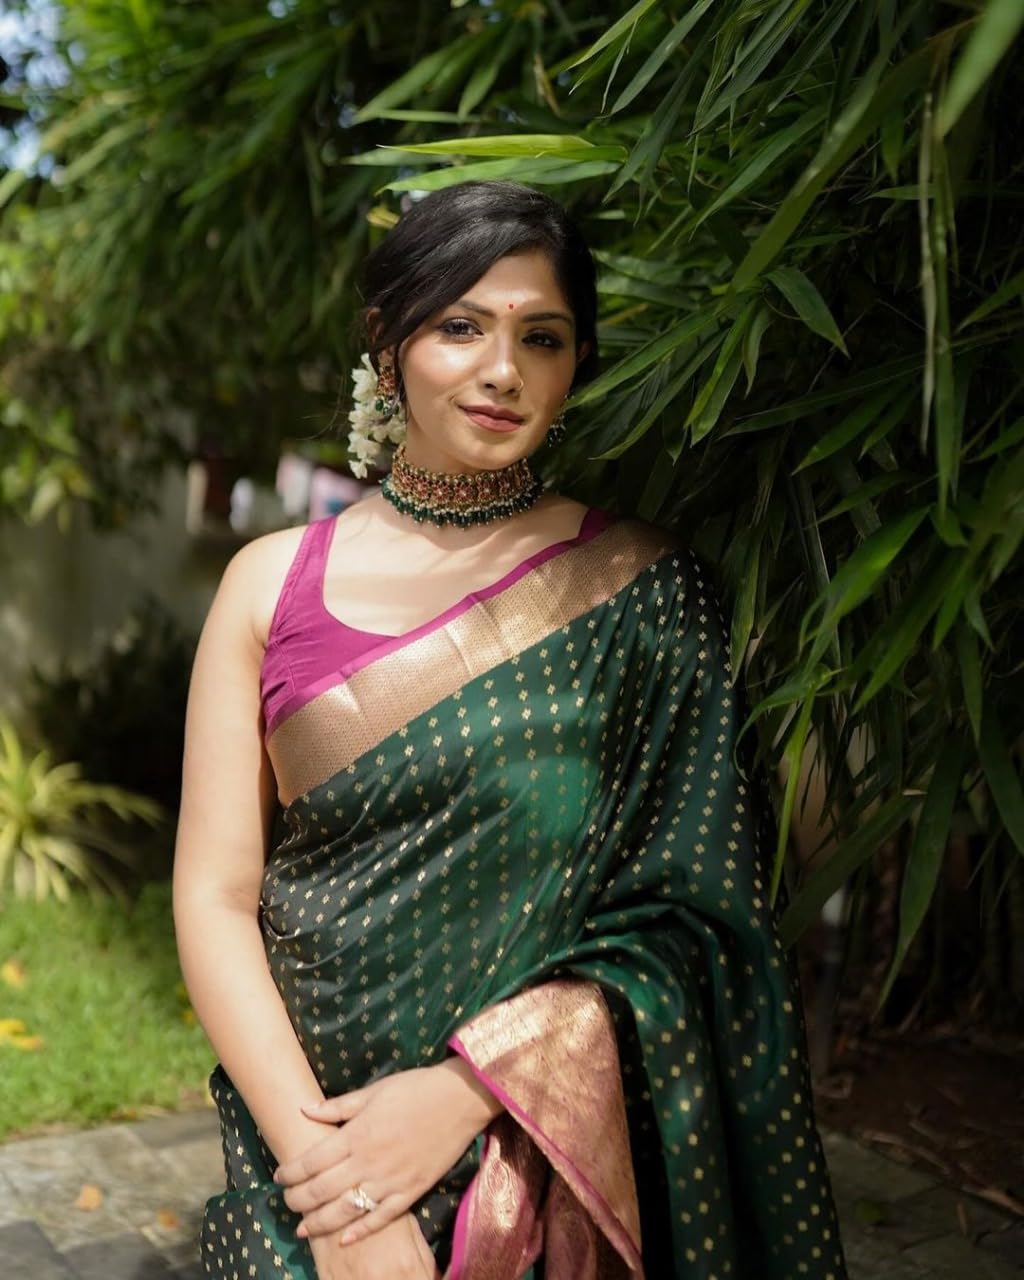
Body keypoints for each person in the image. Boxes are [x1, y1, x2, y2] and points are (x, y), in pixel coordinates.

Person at [173, 180, 848, 1280]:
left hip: (539, 1158)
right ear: (387, 347)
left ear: (575, 363)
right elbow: (214, 894)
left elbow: (699, 920)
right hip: (302, 1142)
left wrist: (466, 1090)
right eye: (459, 326)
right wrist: (334, 1184)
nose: (502, 369)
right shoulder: (266, 583)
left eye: (542, 337)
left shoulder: (643, 591)